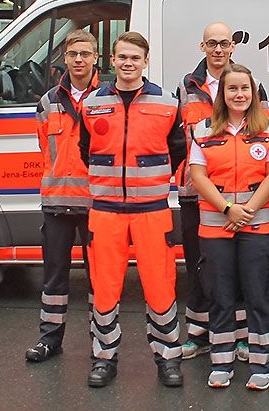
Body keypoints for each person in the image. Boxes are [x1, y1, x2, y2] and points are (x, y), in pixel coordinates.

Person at [79, 31, 186, 388]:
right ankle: (104, 359)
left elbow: (177, 151)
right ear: (113, 59)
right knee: (105, 288)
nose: (128, 64)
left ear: (146, 61)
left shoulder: (168, 102)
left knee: (160, 286)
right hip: (106, 210)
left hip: (151, 210)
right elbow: (84, 149)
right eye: (122, 57)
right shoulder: (92, 103)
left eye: (135, 58)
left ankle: (168, 359)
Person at [176, 22, 269, 361]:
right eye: (212, 43)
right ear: (203, 47)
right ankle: (199, 333)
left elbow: (261, 135)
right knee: (200, 267)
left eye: (224, 43)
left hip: (245, 200)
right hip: (197, 194)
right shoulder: (188, 86)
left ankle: (242, 336)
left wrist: (240, 205)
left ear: (233, 47)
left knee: (241, 271)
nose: (218, 49)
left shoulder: (249, 85)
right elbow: (177, 140)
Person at [190, 64, 269, 390]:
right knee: (221, 296)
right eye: (232, 89)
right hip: (216, 228)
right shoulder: (203, 130)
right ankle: (222, 360)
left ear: (253, 93)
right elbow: (198, 176)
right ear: (221, 94)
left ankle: (263, 362)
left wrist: (249, 209)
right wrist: (228, 208)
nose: (239, 94)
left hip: (257, 226)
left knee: (259, 295)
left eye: (245, 88)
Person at [25, 29, 99, 362]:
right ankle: (49, 339)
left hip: (97, 204)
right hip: (56, 202)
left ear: (96, 58)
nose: (79, 59)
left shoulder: (106, 99)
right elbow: (46, 149)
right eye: (73, 54)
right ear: (65, 58)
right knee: (54, 275)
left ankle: (102, 341)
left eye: (85, 53)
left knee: (101, 278)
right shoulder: (47, 101)